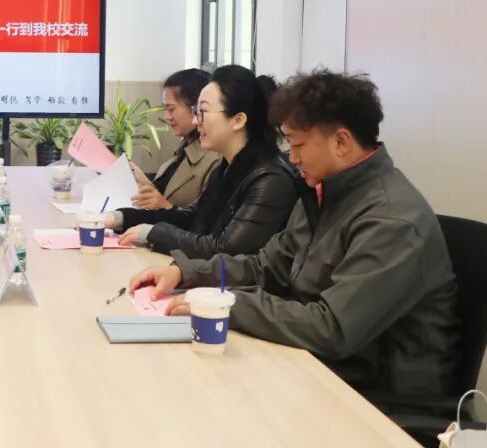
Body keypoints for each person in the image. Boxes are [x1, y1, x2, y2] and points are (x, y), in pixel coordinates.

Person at [130, 70, 459, 395]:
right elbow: (266, 266)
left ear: (341, 142)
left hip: (377, 399)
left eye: (299, 145)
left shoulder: (392, 221)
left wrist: (229, 303)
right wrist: (187, 273)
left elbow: (332, 328)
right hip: (314, 367)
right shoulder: (321, 191)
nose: (292, 157)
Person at [106, 65, 298, 259]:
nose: (196, 121)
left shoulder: (269, 180)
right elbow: (190, 218)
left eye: (202, 112)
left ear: (238, 120)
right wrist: (121, 218)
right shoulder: (225, 169)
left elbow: (224, 248)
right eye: (196, 112)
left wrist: (152, 233)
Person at [129, 69, 220, 209]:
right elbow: (164, 195)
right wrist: (144, 182)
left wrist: (164, 206)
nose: (167, 117)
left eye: (171, 109)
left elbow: (204, 217)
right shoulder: (184, 148)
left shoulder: (216, 160)